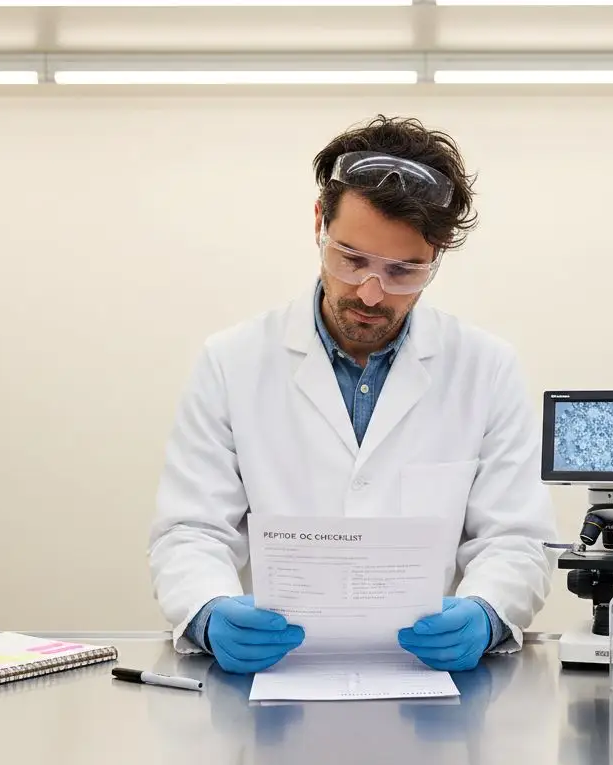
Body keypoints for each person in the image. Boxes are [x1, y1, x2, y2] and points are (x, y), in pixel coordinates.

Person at [147, 115, 557, 674]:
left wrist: (487, 612)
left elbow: (514, 538)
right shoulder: (232, 361)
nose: (371, 292)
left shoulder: (485, 368)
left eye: (403, 270)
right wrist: (208, 611)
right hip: (277, 675)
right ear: (319, 223)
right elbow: (191, 530)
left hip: (424, 679)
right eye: (352, 258)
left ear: (435, 257)